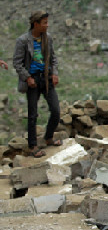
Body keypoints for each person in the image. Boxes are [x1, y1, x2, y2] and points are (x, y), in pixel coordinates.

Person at [13, 11, 61, 158]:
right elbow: (17, 63)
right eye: (44, 23)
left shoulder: (48, 39)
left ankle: (48, 137)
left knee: (56, 110)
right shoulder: (23, 41)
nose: (47, 25)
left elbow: (53, 58)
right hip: (32, 81)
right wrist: (27, 78)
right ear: (36, 24)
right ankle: (33, 146)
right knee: (32, 114)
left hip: (45, 78)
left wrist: (54, 73)